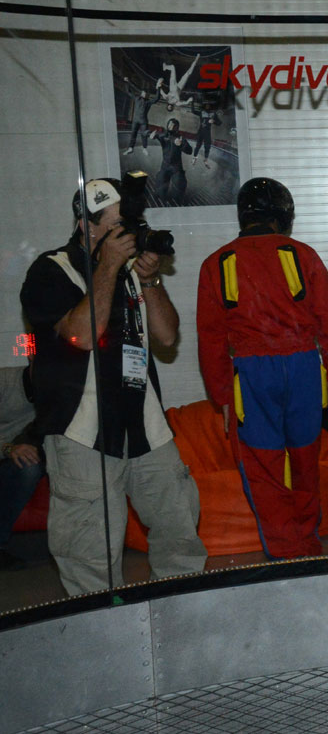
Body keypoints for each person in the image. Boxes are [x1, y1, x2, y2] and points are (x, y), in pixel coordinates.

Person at [20, 178, 206, 595]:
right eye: (117, 224)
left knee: (179, 527)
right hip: (82, 432)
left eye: (132, 224)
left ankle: (185, 616)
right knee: (90, 553)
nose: (129, 235)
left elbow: (167, 336)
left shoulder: (131, 272)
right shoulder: (51, 271)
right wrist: (105, 266)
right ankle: (102, 635)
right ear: (86, 226)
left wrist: (152, 281)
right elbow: (80, 337)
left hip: (144, 425)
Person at [196, 178, 328, 559]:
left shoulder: (216, 263)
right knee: (304, 460)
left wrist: (222, 396)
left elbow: (211, 339)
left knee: (263, 467)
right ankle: (308, 547)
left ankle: (284, 556)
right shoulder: (303, 254)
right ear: (284, 215)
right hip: (302, 370)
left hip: (251, 376)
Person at [0, 363, 44, 571]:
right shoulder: (5, 381)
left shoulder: (55, 395)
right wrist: (8, 449)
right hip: (5, 451)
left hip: (10, 460)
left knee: (30, 467)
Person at [152, 118, 192, 204]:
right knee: (160, 187)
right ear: (167, 125)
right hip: (165, 166)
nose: (171, 127)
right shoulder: (163, 136)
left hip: (176, 167)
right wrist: (151, 135)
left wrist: (181, 145)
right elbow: (149, 134)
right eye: (170, 125)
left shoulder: (181, 138)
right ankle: (161, 196)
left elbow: (190, 151)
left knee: (179, 186)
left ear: (177, 128)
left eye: (174, 126)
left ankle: (177, 199)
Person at [120, 77, 159, 155]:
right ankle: (131, 148)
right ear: (141, 94)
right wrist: (127, 82)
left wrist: (158, 88)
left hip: (143, 121)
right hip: (135, 120)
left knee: (144, 134)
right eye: (144, 93)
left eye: (146, 94)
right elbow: (128, 91)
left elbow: (157, 98)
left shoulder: (148, 102)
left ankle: (144, 148)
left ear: (147, 96)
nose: (145, 94)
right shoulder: (137, 98)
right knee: (133, 134)